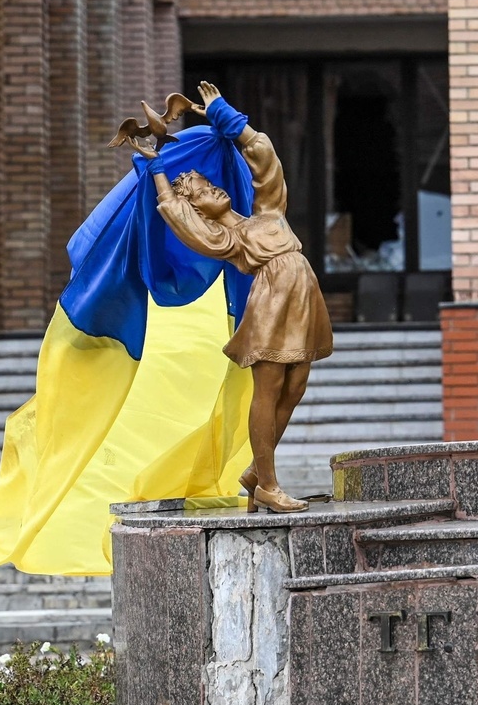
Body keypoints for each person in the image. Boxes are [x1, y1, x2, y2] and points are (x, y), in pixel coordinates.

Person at [124, 81, 333, 512]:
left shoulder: (267, 213)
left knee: (295, 389)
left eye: (208, 183)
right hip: (272, 303)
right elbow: (180, 220)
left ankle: (257, 472)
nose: (212, 189)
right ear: (199, 208)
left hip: (304, 297)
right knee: (270, 388)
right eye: (201, 191)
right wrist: (159, 170)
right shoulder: (226, 238)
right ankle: (269, 486)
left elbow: (265, 159)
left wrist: (225, 116)